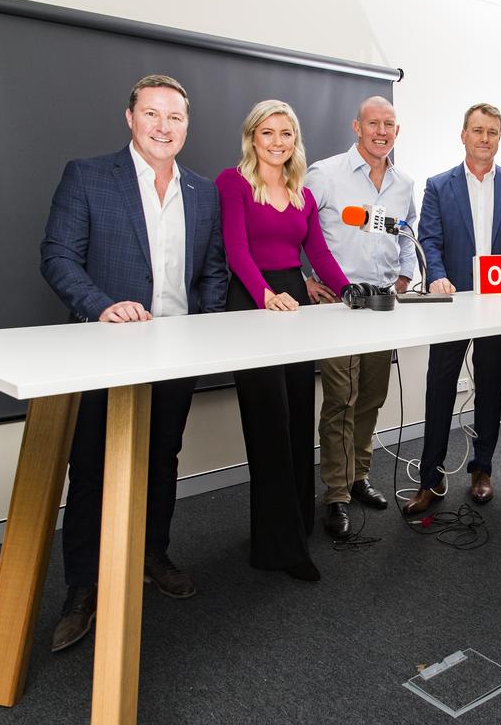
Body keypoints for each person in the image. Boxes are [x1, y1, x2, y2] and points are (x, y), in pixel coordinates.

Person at [40, 74, 228, 651]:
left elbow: (213, 270)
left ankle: (153, 554)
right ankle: (83, 588)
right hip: (108, 352)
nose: (163, 126)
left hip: (175, 353)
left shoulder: (202, 191)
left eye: (175, 117)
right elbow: (58, 257)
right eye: (152, 114)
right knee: (93, 466)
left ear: (186, 126)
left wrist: (205, 325)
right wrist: (102, 306)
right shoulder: (89, 176)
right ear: (131, 118)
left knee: (161, 458)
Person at [216, 100, 350, 581]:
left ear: (295, 141)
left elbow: (317, 252)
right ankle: (278, 548)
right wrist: (266, 295)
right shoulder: (232, 182)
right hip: (252, 302)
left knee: (297, 415)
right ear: (253, 137)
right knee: (268, 424)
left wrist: (350, 291)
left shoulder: (302, 193)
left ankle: (296, 526)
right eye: (267, 133)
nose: (277, 142)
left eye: (286, 134)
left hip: (295, 303)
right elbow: (236, 249)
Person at [404, 103, 501, 515]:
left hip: (499, 308)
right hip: (451, 304)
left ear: (500, 137)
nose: (485, 138)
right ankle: (431, 478)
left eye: (493, 132)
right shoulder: (439, 185)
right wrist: (437, 276)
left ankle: (482, 470)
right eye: (478, 130)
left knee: (490, 387)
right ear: (463, 135)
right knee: (440, 390)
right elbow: (429, 240)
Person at [305, 96, 417, 539]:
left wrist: (406, 275)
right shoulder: (325, 174)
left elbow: (406, 234)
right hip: (337, 304)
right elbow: (293, 227)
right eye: (374, 123)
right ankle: (335, 495)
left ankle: (358, 476)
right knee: (341, 400)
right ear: (357, 126)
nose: (382, 131)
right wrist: (303, 278)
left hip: (382, 306)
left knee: (371, 396)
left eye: (390, 124)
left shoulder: (404, 183)